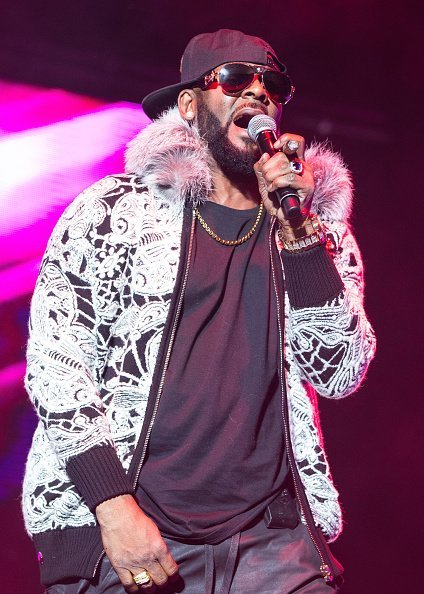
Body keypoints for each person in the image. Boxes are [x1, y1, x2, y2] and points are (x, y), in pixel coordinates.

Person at [22, 29, 376, 594]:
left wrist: (300, 234)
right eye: (235, 79)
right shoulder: (115, 212)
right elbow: (57, 362)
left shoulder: (315, 229)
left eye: (272, 85)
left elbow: (340, 372)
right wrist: (112, 506)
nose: (258, 93)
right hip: (137, 526)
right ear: (189, 105)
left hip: (273, 541)